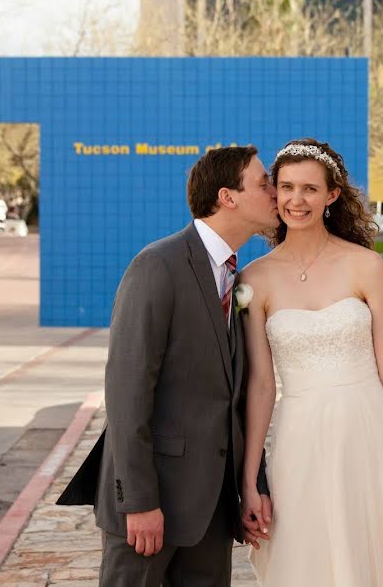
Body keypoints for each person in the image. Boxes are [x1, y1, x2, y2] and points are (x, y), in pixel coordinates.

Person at [240, 138, 383, 586]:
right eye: (286, 187)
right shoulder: (255, 279)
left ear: (331, 196)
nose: (296, 200)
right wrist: (250, 482)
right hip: (299, 440)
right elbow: (262, 387)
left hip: (372, 432)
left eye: (309, 188)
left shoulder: (366, 266)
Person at [56, 146, 278, 586]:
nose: (275, 193)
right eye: (264, 182)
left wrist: (253, 485)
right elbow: (127, 394)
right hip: (151, 503)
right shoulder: (158, 266)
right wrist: (137, 501)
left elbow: (232, 399)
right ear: (227, 197)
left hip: (213, 508)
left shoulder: (240, 278)